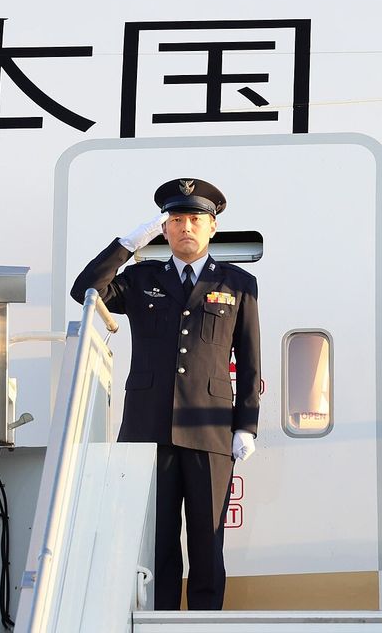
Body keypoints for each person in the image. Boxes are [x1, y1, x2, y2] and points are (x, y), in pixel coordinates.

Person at [70, 178, 260, 610]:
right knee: (158, 541)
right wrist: (125, 244)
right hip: (148, 429)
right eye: (176, 220)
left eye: (195, 219)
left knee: (207, 542)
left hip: (211, 433)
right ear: (164, 230)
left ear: (212, 228)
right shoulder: (140, 278)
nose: (185, 227)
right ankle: (161, 621)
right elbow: (85, 291)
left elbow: (250, 361)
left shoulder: (239, 283)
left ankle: (206, 622)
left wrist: (246, 426)